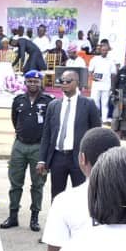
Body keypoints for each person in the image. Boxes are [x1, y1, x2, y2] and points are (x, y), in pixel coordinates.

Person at [1, 70, 53, 231]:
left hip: (39, 147)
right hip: (19, 145)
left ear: (41, 83)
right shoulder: (18, 100)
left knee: (38, 184)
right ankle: (13, 216)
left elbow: (51, 125)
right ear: (25, 83)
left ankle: (34, 218)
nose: (33, 84)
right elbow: (15, 120)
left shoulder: (49, 101)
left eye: (36, 81)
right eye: (29, 81)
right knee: (15, 182)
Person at [38, 71, 103, 199]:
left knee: (80, 196)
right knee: (56, 196)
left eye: (68, 81)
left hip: (79, 158)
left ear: (77, 83)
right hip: (57, 157)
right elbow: (46, 134)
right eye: (62, 81)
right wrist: (42, 159)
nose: (64, 84)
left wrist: (93, 158)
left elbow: (96, 133)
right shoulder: (53, 105)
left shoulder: (88, 104)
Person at [87, 40, 118, 120]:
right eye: (103, 50)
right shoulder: (94, 59)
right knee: (95, 103)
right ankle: (96, 120)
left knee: (105, 104)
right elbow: (90, 71)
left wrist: (112, 87)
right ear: (100, 50)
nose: (104, 51)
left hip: (106, 85)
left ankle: (104, 120)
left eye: (105, 50)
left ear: (108, 51)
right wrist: (92, 77)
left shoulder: (111, 60)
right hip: (96, 85)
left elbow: (113, 74)